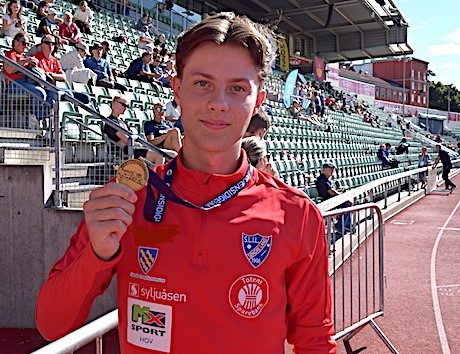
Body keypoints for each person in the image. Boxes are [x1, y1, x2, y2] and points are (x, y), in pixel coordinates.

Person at [36, 12, 336, 353]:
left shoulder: (296, 214)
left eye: (237, 88)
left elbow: (315, 341)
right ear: (177, 88)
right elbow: (51, 324)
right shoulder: (128, 200)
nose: (218, 104)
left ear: (258, 101)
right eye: (202, 83)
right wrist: (97, 254)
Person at [102, 96, 171, 165]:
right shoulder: (111, 122)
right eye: (123, 105)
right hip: (128, 151)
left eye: (127, 106)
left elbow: (130, 137)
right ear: (114, 104)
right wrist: (140, 143)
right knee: (160, 156)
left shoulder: (122, 122)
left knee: (172, 154)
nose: (125, 108)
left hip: (135, 148)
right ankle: (156, 175)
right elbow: (127, 139)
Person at [2, 33, 51, 121]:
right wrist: (25, 61)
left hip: (27, 82)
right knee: (39, 93)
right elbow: (10, 70)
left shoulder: (24, 56)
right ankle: (37, 119)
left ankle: (43, 119)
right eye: (24, 43)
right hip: (14, 84)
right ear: (16, 42)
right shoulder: (10, 54)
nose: (26, 46)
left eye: (27, 44)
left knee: (52, 94)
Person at [34, 35, 91, 105]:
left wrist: (51, 74)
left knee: (85, 97)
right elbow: (42, 77)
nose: (50, 45)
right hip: (45, 88)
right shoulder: (36, 58)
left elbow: (63, 77)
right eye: (47, 43)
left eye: (53, 43)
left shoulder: (55, 60)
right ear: (42, 45)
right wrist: (54, 76)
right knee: (67, 94)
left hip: (55, 88)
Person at [315, 162, 352, 238]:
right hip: (326, 201)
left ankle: (345, 225)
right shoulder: (322, 179)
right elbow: (330, 191)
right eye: (330, 170)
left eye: (333, 170)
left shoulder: (328, 179)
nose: (332, 172)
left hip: (331, 199)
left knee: (349, 203)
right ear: (324, 170)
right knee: (348, 203)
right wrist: (340, 195)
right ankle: (341, 225)